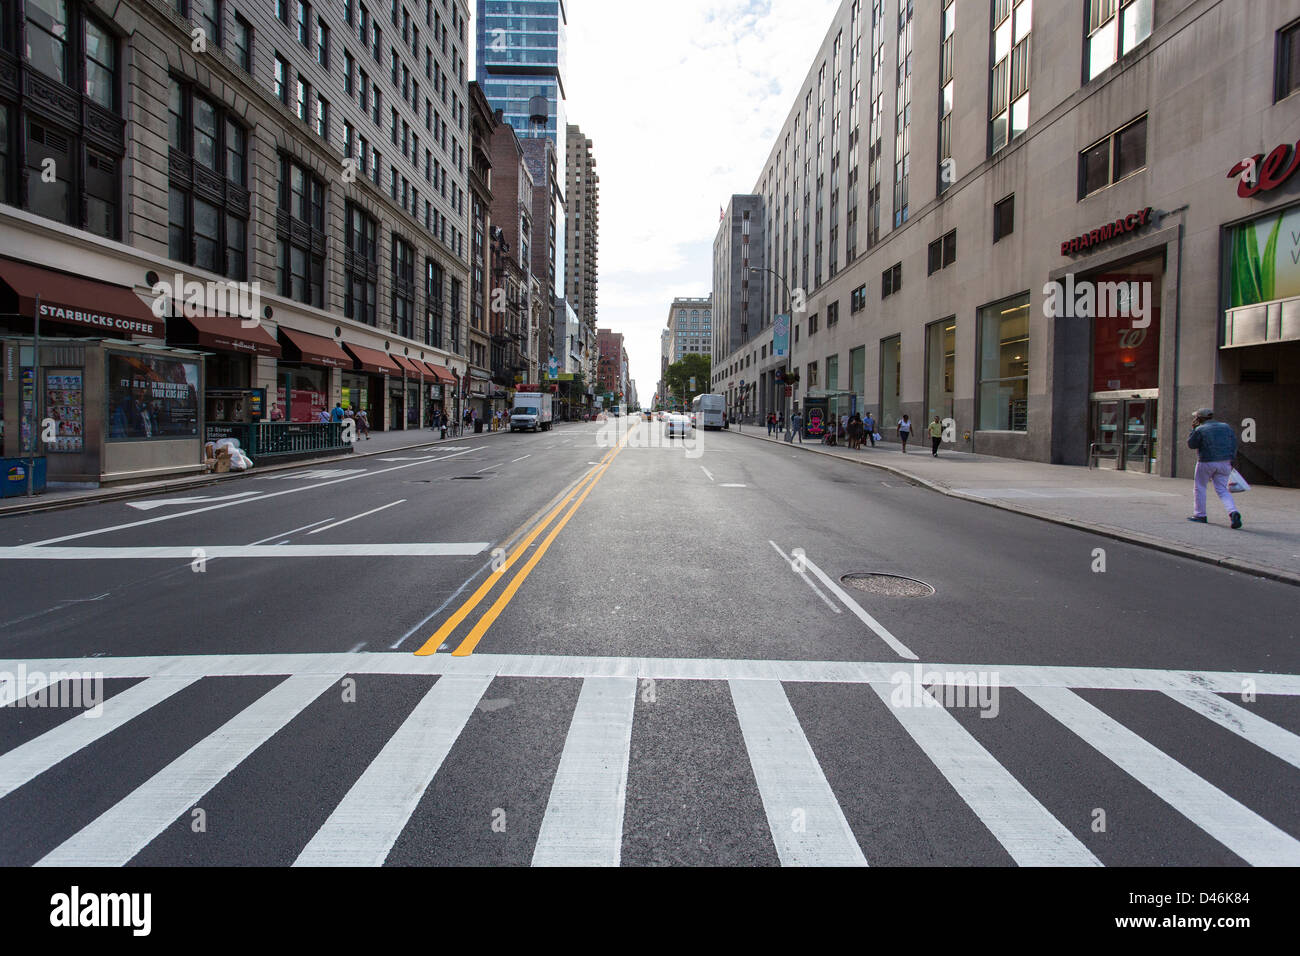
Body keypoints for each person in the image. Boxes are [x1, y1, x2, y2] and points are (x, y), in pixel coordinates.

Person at [1187, 408, 1242, 528]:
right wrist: (1232, 460)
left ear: (1199, 418)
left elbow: (1191, 444)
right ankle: (1233, 512)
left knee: (1200, 487)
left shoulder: (1200, 429)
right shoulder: (1226, 427)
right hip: (1225, 462)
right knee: (1222, 490)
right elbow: (1234, 444)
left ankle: (1200, 515)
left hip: (1206, 462)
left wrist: (1193, 429)